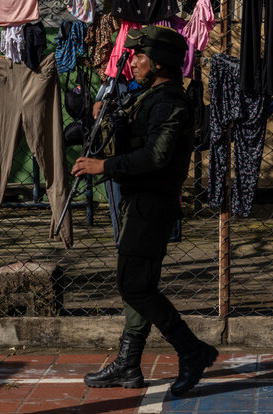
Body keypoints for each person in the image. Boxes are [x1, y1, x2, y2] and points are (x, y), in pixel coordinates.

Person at [72, 25, 217, 395]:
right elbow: (137, 142)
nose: (132, 62)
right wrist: (111, 117)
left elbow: (155, 156)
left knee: (133, 285)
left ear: (159, 63)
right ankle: (129, 365)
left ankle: (191, 350)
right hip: (141, 202)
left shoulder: (169, 102)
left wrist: (102, 166)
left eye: (139, 56)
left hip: (152, 204)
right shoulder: (151, 97)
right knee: (139, 285)